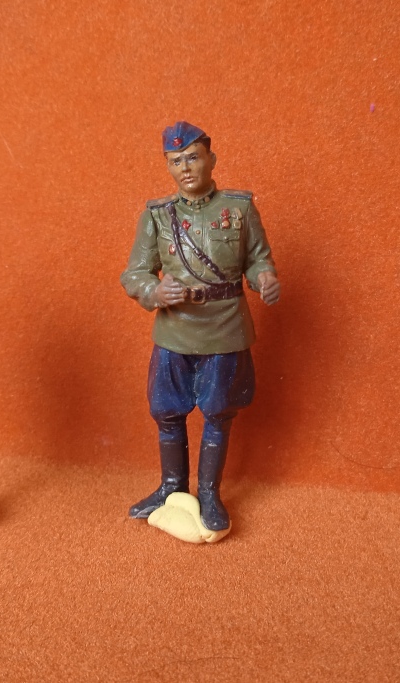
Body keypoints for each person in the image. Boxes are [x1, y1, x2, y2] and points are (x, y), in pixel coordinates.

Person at [121, 122, 280, 531]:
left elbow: (257, 258)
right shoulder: (157, 216)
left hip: (225, 328)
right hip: (175, 330)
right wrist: (156, 291)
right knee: (166, 412)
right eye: (176, 161)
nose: (185, 168)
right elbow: (134, 273)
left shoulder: (239, 209)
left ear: (212, 159)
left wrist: (263, 278)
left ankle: (209, 492)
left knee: (219, 412)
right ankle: (171, 486)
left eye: (193, 157)